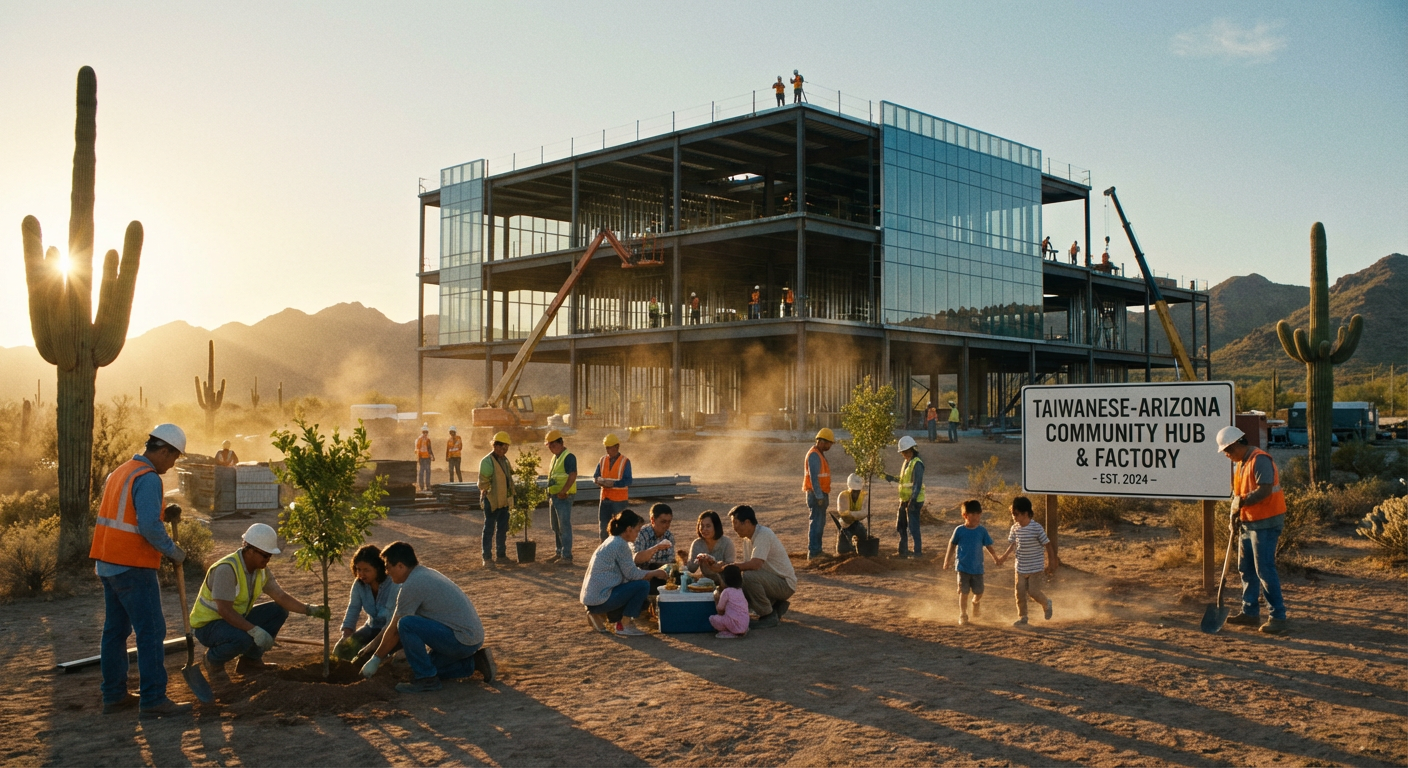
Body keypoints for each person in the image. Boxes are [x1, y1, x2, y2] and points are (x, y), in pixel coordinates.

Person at [90, 423, 191, 718]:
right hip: (133, 566)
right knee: (152, 631)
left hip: (108, 563)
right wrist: (174, 552)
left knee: (115, 631)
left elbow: (129, 513)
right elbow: (147, 526)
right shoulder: (148, 478)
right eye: (174, 458)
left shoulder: (122, 471)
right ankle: (153, 699)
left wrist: (163, 512)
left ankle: (113, 695)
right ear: (164, 451)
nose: (172, 465)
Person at [190, 523, 332, 678]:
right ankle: (213, 661)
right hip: (209, 626)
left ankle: (250, 662)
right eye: (265, 555)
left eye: (270, 555)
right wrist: (254, 630)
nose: (268, 559)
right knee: (243, 639)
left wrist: (309, 609)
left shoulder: (261, 571)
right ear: (250, 550)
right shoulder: (227, 569)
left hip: (234, 619)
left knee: (278, 611)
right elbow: (225, 610)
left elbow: (281, 597)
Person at [360, 541, 495, 693]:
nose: (387, 572)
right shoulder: (423, 574)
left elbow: (396, 628)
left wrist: (376, 659)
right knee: (427, 667)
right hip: (471, 638)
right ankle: (474, 662)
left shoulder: (413, 584)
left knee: (406, 624)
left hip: (461, 640)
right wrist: (373, 646)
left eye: (388, 567)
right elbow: (393, 623)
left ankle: (426, 680)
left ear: (400, 566)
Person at [1217, 425, 1288, 634]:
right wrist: (1234, 514)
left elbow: (1264, 491)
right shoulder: (1241, 463)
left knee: (1264, 569)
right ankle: (1249, 612)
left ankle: (1278, 617)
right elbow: (1239, 495)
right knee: (1246, 568)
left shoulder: (1260, 460)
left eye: (1228, 450)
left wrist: (1241, 502)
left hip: (1266, 522)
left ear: (1237, 444)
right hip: (1248, 522)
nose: (1227, 455)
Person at [706, 505, 795, 629]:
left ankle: (768, 615)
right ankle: (775, 605)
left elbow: (755, 565)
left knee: (748, 577)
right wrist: (721, 568)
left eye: (735, 523)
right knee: (740, 582)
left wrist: (726, 568)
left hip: (784, 584)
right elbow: (747, 566)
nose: (734, 527)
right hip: (771, 581)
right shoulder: (748, 539)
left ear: (747, 522)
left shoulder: (763, 534)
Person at [581, 510, 667, 637]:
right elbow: (632, 574)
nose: (638, 534)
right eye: (637, 530)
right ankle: (624, 624)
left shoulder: (611, 540)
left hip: (592, 600)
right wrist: (655, 573)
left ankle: (597, 614)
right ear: (628, 529)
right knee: (642, 586)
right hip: (601, 600)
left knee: (636, 587)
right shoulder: (620, 544)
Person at [997, 496, 1058, 626]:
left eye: (1016, 514)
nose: (1014, 516)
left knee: (1033, 592)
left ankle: (1046, 603)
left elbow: (1047, 544)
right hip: (1020, 567)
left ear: (1025, 513)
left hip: (1035, 567)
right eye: (1013, 513)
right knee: (1019, 593)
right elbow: (1013, 544)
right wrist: (1004, 556)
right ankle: (1023, 617)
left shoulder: (1036, 528)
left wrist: (1051, 562)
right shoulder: (1015, 528)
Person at [334, 544, 402, 659]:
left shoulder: (393, 584)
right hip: (372, 627)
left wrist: (373, 646)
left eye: (366, 570)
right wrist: (346, 636)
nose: (361, 574)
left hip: (393, 631)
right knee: (342, 651)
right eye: (358, 569)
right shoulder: (359, 585)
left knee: (380, 655)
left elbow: (391, 624)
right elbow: (353, 609)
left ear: (378, 568)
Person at [943, 500, 1002, 625]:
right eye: (973, 514)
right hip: (962, 567)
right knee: (964, 592)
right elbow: (952, 544)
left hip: (977, 568)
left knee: (979, 592)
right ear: (965, 515)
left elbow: (988, 545)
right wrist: (947, 560)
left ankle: (975, 602)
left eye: (978, 514)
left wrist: (995, 558)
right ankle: (963, 614)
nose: (976, 517)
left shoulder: (982, 531)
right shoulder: (959, 530)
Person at [884, 436, 926, 558]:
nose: (903, 455)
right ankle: (903, 551)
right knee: (901, 525)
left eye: (904, 452)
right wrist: (892, 478)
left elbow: (917, 484)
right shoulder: (907, 462)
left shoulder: (917, 463)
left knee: (913, 527)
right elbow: (904, 481)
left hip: (914, 500)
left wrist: (912, 501)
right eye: (902, 452)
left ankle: (917, 552)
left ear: (911, 450)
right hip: (904, 499)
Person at [477, 431, 515, 567]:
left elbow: (509, 477)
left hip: (503, 501)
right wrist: (489, 493)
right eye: (503, 448)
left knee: (502, 529)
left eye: (506, 448)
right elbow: (483, 483)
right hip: (491, 501)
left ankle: (501, 556)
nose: (505, 451)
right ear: (496, 446)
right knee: (489, 529)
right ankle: (487, 558)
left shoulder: (505, 460)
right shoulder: (487, 462)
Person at [544, 429, 578, 564]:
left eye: (553, 445)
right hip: (555, 496)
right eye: (549, 446)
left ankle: (566, 556)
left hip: (564, 497)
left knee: (564, 526)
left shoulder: (568, 457)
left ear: (561, 443)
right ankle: (559, 552)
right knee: (556, 526)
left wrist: (563, 491)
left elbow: (573, 475)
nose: (551, 448)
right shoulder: (555, 457)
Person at [632, 503, 676, 599]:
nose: (666, 525)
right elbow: (636, 559)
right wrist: (656, 548)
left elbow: (670, 561)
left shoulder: (669, 536)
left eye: (669, 522)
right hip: (642, 574)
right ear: (652, 520)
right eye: (663, 522)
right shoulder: (641, 534)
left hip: (662, 574)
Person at [594, 433, 633, 539]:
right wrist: (598, 481)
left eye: (609, 448)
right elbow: (596, 476)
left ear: (617, 447)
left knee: (621, 528)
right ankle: (604, 547)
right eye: (606, 448)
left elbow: (628, 481)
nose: (607, 450)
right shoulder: (602, 460)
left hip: (619, 500)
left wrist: (613, 484)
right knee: (604, 528)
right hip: (605, 499)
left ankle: (621, 548)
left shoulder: (625, 461)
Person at [803, 428, 834, 559]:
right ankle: (814, 552)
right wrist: (819, 496)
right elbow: (814, 478)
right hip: (817, 495)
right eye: (829, 443)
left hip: (820, 494)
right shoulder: (814, 455)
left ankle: (817, 550)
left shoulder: (818, 454)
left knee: (819, 524)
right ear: (822, 442)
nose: (830, 446)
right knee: (816, 523)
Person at [687, 510, 736, 584]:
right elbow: (691, 569)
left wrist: (716, 565)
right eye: (702, 526)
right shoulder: (697, 544)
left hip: (725, 583)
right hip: (705, 583)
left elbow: (731, 569)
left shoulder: (727, 543)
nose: (704, 529)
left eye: (708, 526)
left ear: (716, 527)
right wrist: (697, 560)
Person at [832, 473, 870, 555]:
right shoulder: (843, 496)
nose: (856, 494)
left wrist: (852, 515)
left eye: (858, 492)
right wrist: (859, 515)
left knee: (863, 540)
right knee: (843, 550)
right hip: (846, 524)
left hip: (858, 523)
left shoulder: (864, 496)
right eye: (854, 491)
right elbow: (844, 514)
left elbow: (865, 512)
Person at [710, 565, 749, 638]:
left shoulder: (727, 592)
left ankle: (730, 632)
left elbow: (720, 608)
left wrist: (717, 598)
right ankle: (740, 631)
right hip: (744, 624)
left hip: (734, 623)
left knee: (713, 619)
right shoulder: (740, 590)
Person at [415, 425, 434, 492]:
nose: (425, 433)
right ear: (422, 432)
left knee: (428, 472)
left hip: (427, 458)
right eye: (424, 432)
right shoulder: (419, 439)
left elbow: (429, 448)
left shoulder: (428, 439)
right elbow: (417, 449)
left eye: (426, 432)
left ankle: (428, 486)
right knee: (421, 472)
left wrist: (432, 456)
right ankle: (421, 486)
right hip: (422, 458)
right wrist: (418, 458)